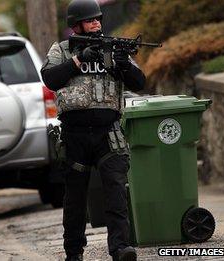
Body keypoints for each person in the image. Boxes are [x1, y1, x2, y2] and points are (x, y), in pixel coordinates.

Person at [40, 0, 146, 260]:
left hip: (108, 134)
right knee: (75, 198)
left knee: (116, 190)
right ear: (76, 25)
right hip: (75, 136)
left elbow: (140, 82)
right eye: (90, 20)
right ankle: (73, 252)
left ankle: (121, 247)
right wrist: (78, 60)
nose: (96, 23)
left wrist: (124, 64)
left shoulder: (113, 48)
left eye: (98, 19)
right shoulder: (63, 50)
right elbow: (50, 79)